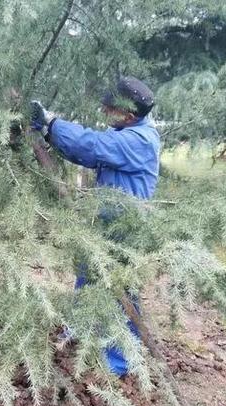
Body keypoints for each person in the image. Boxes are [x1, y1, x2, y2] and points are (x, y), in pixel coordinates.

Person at [30, 76, 161, 377]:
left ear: (128, 114)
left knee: (119, 293)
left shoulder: (139, 140)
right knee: (87, 277)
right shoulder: (127, 130)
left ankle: (118, 364)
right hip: (107, 223)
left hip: (125, 231)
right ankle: (83, 330)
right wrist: (51, 137)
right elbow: (86, 152)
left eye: (110, 109)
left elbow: (93, 146)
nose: (104, 112)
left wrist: (51, 124)